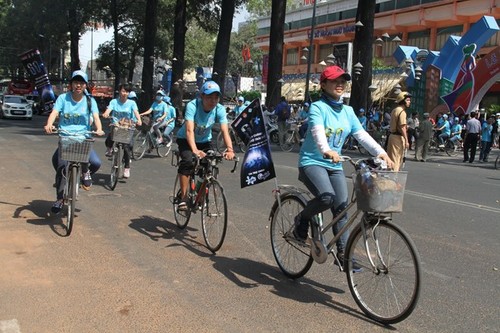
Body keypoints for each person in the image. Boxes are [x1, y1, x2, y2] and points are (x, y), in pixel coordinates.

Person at [292, 65, 394, 269]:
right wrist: (326, 150)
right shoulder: (318, 107)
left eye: (343, 81)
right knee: (327, 197)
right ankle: (302, 218)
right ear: (323, 84)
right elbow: (317, 131)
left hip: (335, 164)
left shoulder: (348, 111)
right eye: (334, 81)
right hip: (313, 162)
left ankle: (343, 254)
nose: (340, 84)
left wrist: (380, 152)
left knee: (341, 208)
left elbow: (361, 134)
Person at [43, 70, 105, 214]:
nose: (78, 85)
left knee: (95, 163)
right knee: (61, 167)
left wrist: (100, 129)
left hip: (83, 139)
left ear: (85, 85)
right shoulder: (63, 99)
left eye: (81, 83)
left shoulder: (90, 100)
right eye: (76, 82)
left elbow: (96, 117)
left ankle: (85, 172)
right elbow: (54, 113)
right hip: (65, 139)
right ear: (71, 84)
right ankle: (59, 199)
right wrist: (49, 124)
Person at [175, 81, 235, 210]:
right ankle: (184, 198)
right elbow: (189, 131)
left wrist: (230, 150)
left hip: (204, 141)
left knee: (209, 164)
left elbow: (225, 131)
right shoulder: (193, 106)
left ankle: (200, 194)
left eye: (216, 97)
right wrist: (195, 150)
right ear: (201, 96)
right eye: (209, 97)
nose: (213, 101)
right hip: (186, 139)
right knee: (188, 161)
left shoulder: (219, 109)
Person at [102, 84, 142, 179]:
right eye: (123, 91)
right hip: (116, 125)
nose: (124, 93)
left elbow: (136, 112)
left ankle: (127, 168)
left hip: (127, 126)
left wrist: (139, 120)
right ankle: (109, 148)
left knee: (127, 147)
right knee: (111, 136)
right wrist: (106, 114)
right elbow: (109, 110)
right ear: (119, 91)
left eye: (127, 92)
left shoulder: (132, 103)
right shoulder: (114, 102)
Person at [386, 91, 411, 171]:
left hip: (391, 137)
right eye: (407, 100)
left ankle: (390, 176)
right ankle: (394, 178)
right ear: (402, 100)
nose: (409, 102)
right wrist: (407, 141)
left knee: (390, 158)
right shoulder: (402, 112)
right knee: (396, 159)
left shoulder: (395, 110)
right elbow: (403, 128)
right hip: (398, 138)